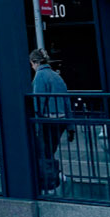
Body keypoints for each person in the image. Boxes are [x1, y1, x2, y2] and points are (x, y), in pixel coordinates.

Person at [29, 48, 74, 193]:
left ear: (35, 62)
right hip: (60, 121)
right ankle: (57, 177)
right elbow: (67, 102)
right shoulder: (56, 76)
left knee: (43, 152)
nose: (32, 67)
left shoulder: (40, 76)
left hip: (47, 120)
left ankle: (51, 182)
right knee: (49, 151)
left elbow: (39, 101)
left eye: (31, 64)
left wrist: (36, 122)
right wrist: (70, 126)